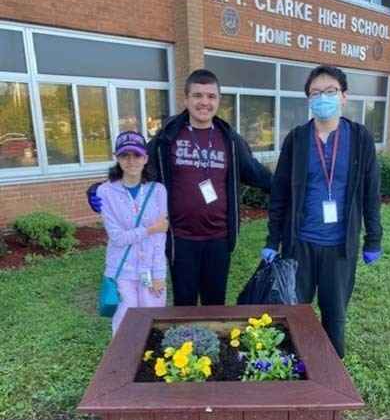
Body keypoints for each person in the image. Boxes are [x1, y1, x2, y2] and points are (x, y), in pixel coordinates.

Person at [88, 68, 272, 306]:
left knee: (214, 304)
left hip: (219, 237)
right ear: (186, 99)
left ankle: (210, 341)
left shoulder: (229, 139)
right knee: (184, 303)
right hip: (180, 238)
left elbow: (255, 173)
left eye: (211, 96)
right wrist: (100, 188)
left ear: (218, 100)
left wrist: (289, 190)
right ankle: (185, 342)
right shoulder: (168, 136)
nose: (204, 102)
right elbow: (138, 168)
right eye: (197, 95)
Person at [261, 65, 382, 359]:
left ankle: (331, 376)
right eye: (316, 93)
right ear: (308, 100)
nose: (323, 97)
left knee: (334, 317)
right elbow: (280, 194)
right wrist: (271, 240)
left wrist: (373, 239)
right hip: (299, 244)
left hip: (340, 248)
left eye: (330, 91)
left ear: (344, 97)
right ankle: (293, 369)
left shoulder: (360, 138)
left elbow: (371, 192)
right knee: (294, 313)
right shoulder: (297, 139)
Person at [99, 130, 168, 334]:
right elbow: (118, 237)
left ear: (145, 158)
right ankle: (123, 363)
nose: (131, 161)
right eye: (125, 156)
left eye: (136, 155)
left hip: (149, 268)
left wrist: (159, 274)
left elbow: (160, 237)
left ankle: (151, 361)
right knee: (124, 320)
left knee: (153, 319)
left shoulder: (158, 191)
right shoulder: (105, 192)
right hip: (121, 270)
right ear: (117, 158)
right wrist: (150, 228)